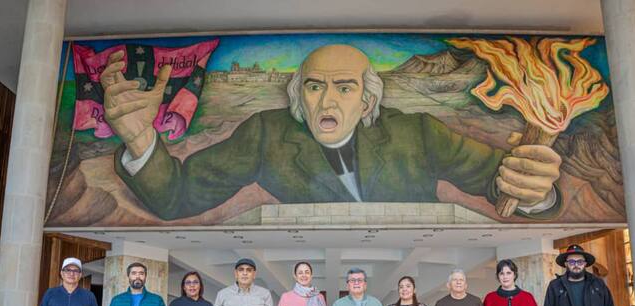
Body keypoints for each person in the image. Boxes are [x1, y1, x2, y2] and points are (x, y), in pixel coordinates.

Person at [100, 44, 562, 221]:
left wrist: (533, 190)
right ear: (299, 98)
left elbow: (501, 179)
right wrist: (140, 140)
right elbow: (176, 197)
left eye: (344, 88)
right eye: (314, 87)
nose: (327, 102)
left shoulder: (419, 134)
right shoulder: (266, 134)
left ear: (367, 102)